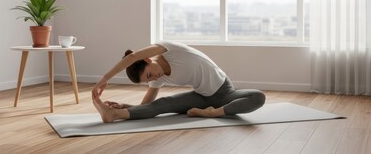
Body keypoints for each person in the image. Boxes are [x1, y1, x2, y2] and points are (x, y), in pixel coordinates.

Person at [91, 41, 265, 123]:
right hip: (201, 99)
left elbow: (133, 56)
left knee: (258, 97)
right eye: (148, 80)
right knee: (163, 103)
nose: (154, 79)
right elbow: (149, 105)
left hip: (225, 93)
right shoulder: (160, 76)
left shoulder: (170, 49)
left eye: (150, 75)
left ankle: (214, 113)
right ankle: (113, 115)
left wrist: (105, 79)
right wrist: (125, 106)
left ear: (148, 60)